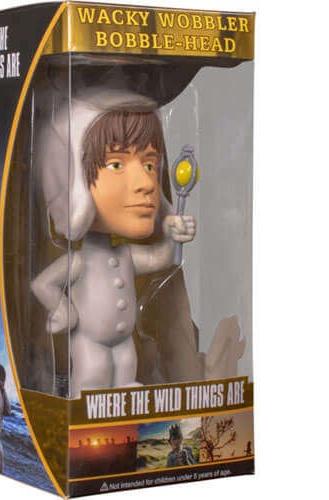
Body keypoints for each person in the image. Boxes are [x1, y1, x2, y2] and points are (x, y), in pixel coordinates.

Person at [32, 103, 196, 397]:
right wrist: (63, 309)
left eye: (149, 165)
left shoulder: (127, 255)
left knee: (126, 382)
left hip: (125, 344)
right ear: (75, 187)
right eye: (117, 164)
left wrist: (173, 236)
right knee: (92, 378)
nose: (146, 184)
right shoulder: (78, 262)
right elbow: (42, 284)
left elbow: (161, 259)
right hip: (89, 343)